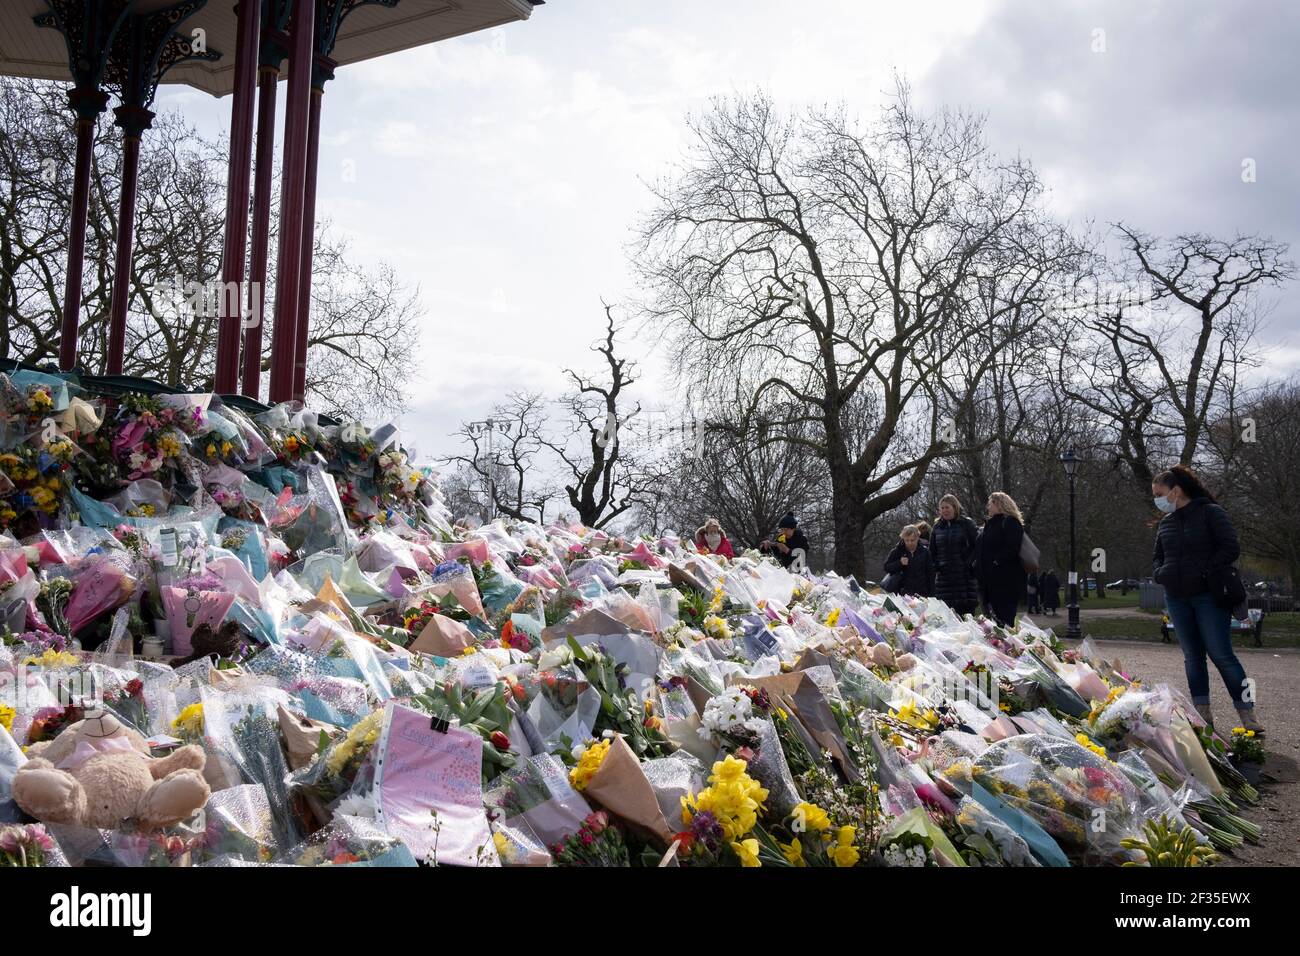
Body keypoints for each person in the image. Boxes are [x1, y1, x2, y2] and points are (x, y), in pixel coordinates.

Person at [1152, 464, 1265, 735]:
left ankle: (1247, 715)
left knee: (1221, 654)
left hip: (1208, 596)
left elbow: (1230, 547)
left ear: (1175, 491)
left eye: (1159, 493)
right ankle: (1203, 716)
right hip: (1177, 597)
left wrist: (1205, 571)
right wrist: (1160, 573)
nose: (1156, 499)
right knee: (1193, 657)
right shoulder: (1166, 523)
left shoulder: (1210, 513)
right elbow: (1158, 556)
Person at [976, 491, 1027, 628]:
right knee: (992, 623)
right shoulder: (989, 525)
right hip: (988, 582)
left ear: (999, 504)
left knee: (1005, 622)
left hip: (1004, 582)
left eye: (991, 504)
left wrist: (996, 562)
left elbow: (1012, 548)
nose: (988, 507)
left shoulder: (1010, 522)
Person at [930, 495, 980, 616]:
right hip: (944, 579)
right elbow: (932, 551)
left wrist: (969, 564)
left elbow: (977, 547)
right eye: (942, 508)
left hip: (964, 578)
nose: (944, 510)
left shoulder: (966, 524)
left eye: (947, 507)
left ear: (955, 507)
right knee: (947, 615)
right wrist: (936, 566)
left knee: (966, 615)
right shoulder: (937, 528)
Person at [883, 524, 934, 596]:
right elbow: (886, 567)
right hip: (902, 593)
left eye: (912, 540)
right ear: (903, 538)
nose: (910, 543)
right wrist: (899, 563)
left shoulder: (925, 552)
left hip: (922, 593)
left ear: (917, 538)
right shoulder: (897, 551)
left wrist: (932, 595)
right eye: (907, 540)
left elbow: (930, 575)